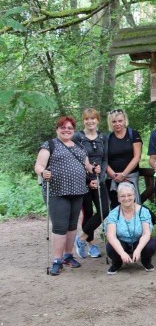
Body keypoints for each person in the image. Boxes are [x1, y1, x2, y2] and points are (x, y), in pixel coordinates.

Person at [34, 116, 100, 276]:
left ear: (73, 130)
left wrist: (93, 169)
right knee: (59, 226)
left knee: (71, 226)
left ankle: (68, 256)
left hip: (78, 191)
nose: (66, 130)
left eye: (70, 128)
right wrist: (43, 172)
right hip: (57, 192)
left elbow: (87, 166)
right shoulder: (49, 145)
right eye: (63, 127)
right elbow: (39, 165)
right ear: (57, 129)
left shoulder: (79, 146)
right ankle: (57, 259)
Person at [73, 108, 110, 259]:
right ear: (83, 121)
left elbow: (105, 159)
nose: (90, 121)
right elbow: (75, 159)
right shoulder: (77, 137)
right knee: (87, 212)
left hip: (99, 179)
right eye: (87, 119)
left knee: (104, 210)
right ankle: (91, 245)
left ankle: (80, 239)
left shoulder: (102, 138)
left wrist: (99, 178)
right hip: (83, 181)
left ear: (97, 120)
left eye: (93, 119)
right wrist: (88, 179)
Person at [104, 182, 156, 275]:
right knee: (110, 246)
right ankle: (117, 263)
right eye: (123, 196)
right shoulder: (113, 213)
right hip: (122, 242)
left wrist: (138, 250)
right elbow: (111, 236)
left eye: (129, 195)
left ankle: (146, 261)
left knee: (150, 244)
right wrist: (122, 253)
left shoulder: (143, 211)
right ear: (118, 198)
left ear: (134, 195)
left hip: (138, 240)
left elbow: (146, 233)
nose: (126, 198)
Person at [105, 109, 143, 208]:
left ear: (124, 120)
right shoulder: (107, 138)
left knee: (132, 206)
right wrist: (114, 176)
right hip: (113, 179)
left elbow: (137, 156)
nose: (117, 124)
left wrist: (123, 175)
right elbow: (104, 159)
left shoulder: (133, 134)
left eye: (120, 121)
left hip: (130, 177)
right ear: (110, 123)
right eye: (114, 121)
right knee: (116, 207)